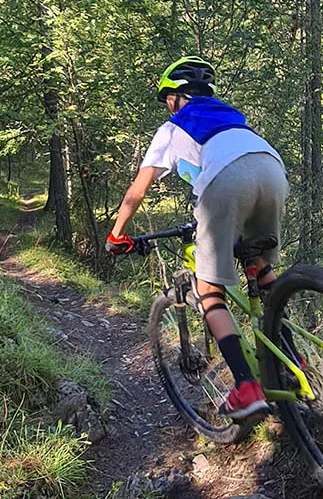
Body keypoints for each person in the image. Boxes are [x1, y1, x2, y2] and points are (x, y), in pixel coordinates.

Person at [106, 56, 288, 420]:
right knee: (262, 271)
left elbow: (136, 192)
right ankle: (292, 356)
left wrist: (117, 235)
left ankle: (246, 387)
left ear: (175, 97)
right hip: (272, 169)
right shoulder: (233, 116)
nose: (167, 105)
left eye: (167, 98)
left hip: (226, 182)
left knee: (209, 292)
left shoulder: (173, 128)